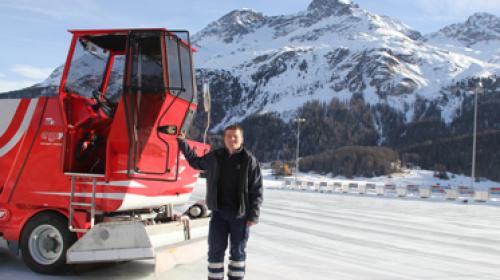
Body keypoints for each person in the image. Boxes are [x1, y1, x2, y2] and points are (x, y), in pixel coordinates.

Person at [177, 124, 263, 280]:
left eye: (235, 136)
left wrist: (254, 215)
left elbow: (256, 190)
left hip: (240, 216)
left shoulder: (249, 161)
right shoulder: (215, 157)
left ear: (241, 139)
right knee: (215, 252)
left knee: (238, 253)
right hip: (218, 215)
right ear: (224, 139)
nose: (232, 139)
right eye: (228, 136)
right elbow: (195, 162)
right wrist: (182, 142)